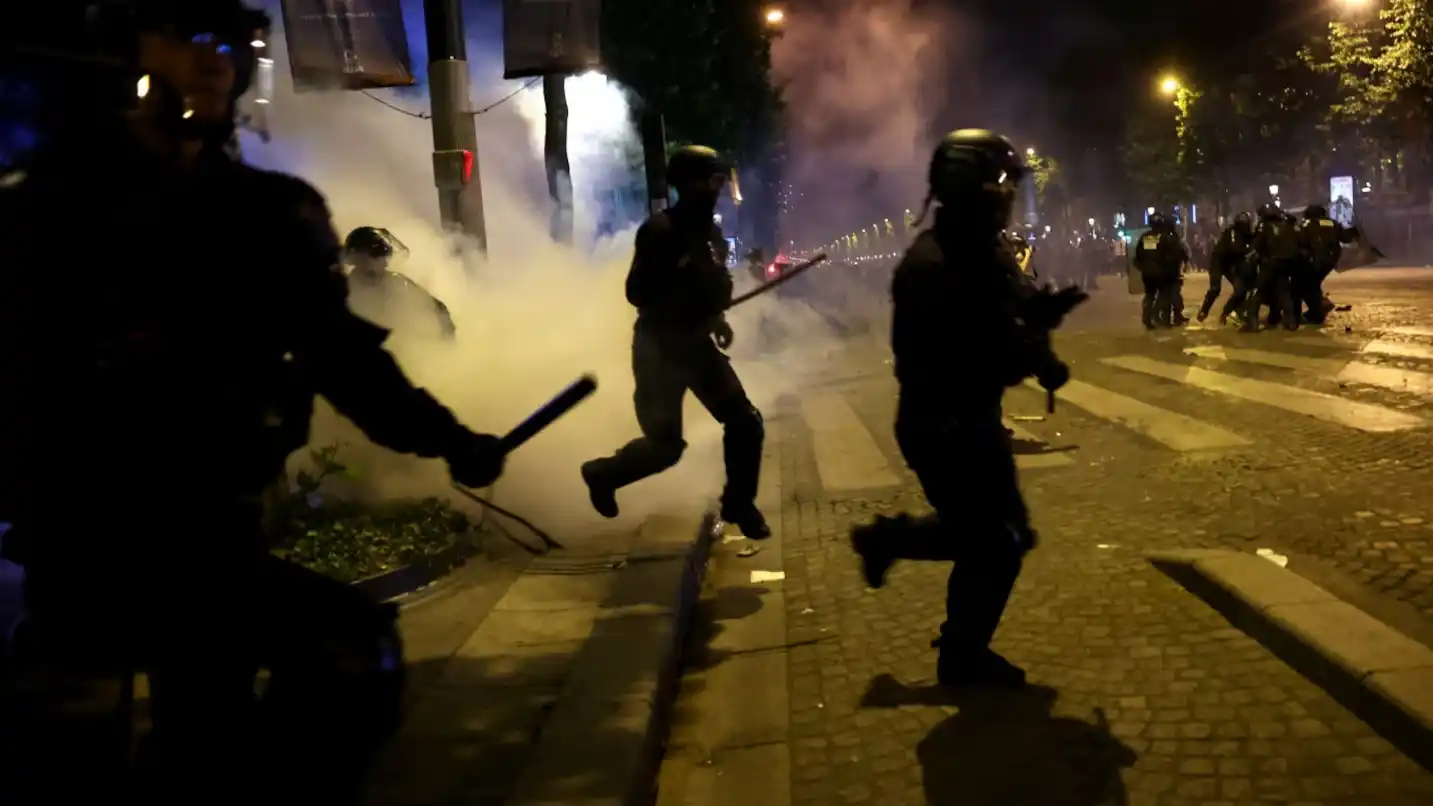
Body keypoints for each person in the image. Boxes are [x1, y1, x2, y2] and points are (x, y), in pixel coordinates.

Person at [0, 1, 506, 800]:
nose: (212, 60)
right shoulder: (42, 211)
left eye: (225, 40)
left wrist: (449, 438)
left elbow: (343, 357)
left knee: (326, 669)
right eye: (181, 31)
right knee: (71, 740)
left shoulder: (267, 213)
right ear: (119, 50)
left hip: (214, 534)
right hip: (83, 547)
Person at [846, 129, 1087, 686]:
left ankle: (894, 548)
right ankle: (960, 655)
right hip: (943, 425)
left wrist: (1041, 336)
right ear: (969, 187)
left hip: (973, 419)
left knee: (1005, 536)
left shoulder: (985, 248)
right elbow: (976, 352)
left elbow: (1014, 307)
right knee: (992, 543)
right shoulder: (932, 266)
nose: (1008, 195)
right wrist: (1026, 342)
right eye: (1000, 183)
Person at [580, 146, 770, 539]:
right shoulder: (661, 231)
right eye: (712, 180)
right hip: (660, 352)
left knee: (745, 424)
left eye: (720, 181)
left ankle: (739, 502)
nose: (717, 188)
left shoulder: (710, 234)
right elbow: (637, 293)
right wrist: (678, 278)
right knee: (665, 447)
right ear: (689, 183)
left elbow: (711, 286)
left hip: (696, 347)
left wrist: (715, 318)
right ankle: (603, 474)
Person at [343, 226, 457, 340]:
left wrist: (447, 336)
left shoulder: (394, 281)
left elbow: (438, 308)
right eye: (379, 255)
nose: (384, 262)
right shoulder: (344, 289)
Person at [1296, 203, 1358, 325]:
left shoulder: (1308, 224)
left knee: (1306, 285)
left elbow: (1301, 240)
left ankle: (1320, 308)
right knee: (1313, 284)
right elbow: (1345, 238)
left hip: (1314, 259)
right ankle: (1317, 311)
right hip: (1331, 260)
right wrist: (1354, 231)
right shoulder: (1332, 223)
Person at [1243, 204, 1301, 332]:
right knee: (1284, 292)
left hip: (1270, 263)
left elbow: (1256, 246)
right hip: (1286, 264)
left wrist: (1249, 258)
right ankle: (1290, 322)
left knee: (1258, 291)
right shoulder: (1286, 225)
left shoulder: (1264, 226)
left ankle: (1252, 322)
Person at [1199, 211, 1255, 325]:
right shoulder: (1232, 232)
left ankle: (1228, 312)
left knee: (1241, 290)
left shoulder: (1247, 235)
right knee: (1215, 288)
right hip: (1218, 263)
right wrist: (1248, 252)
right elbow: (1235, 249)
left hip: (1230, 264)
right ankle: (1204, 311)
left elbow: (1254, 242)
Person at [1133, 212, 1185, 329]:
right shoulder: (1165, 237)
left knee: (1149, 295)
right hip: (1161, 272)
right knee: (1164, 295)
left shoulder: (1145, 237)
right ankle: (1164, 320)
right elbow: (1171, 255)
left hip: (1147, 273)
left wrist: (1143, 267)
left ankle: (1147, 318)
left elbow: (1138, 255)